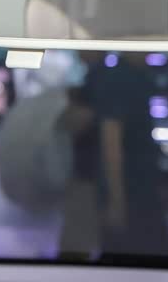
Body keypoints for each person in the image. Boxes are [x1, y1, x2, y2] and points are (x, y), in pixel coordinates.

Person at [93, 53, 168, 263]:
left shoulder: (138, 76)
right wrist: (116, 199)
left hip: (140, 187)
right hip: (132, 190)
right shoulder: (121, 78)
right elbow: (111, 139)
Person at [58, 51, 103, 260]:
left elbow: (79, 120)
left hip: (88, 173)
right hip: (86, 170)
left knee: (77, 240)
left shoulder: (97, 79)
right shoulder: (91, 77)